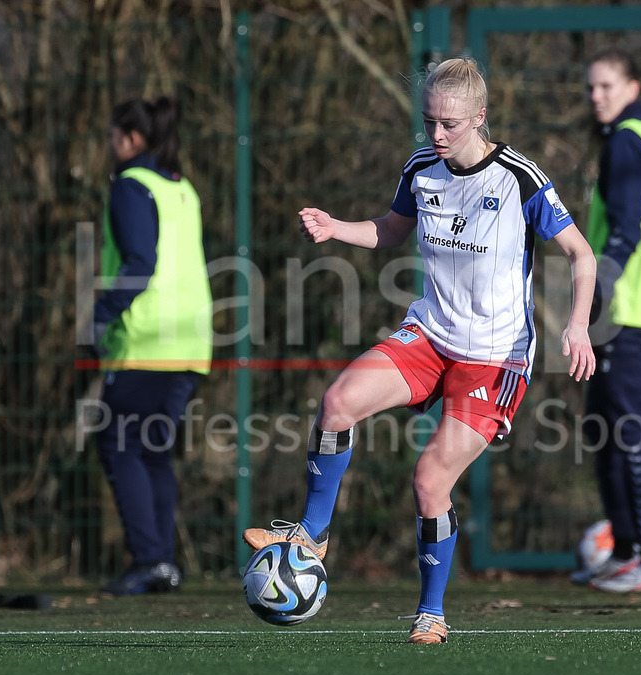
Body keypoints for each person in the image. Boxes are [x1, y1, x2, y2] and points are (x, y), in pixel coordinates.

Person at [243, 57, 596, 644]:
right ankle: (311, 533)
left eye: (450, 123)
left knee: (430, 479)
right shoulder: (421, 169)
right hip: (430, 335)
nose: (437, 134)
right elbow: (390, 229)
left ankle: (431, 611)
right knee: (337, 403)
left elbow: (581, 254)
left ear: (480, 117)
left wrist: (578, 326)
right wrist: (337, 228)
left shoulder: (518, 178)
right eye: (429, 120)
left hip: (494, 357)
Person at [89, 96, 213, 596]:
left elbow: (139, 263)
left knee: (119, 445)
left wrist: (100, 314)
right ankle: (161, 563)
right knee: (153, 452)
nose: (109, 144)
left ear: (132, 138)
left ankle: (149, 560)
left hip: (147, 339)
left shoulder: (131, 186)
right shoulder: (181, 187)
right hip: (191, 342)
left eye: (113, 135)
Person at [570, 49, 641, 593]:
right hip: (636, 309)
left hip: (626, 314)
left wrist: (595, 301)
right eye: (591, 88)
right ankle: (629, 550)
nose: (597, 97)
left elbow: (625, 231)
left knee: (632, 433)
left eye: (607, 86)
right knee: (607, 430)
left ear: (632, 86)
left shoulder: (627, 141)